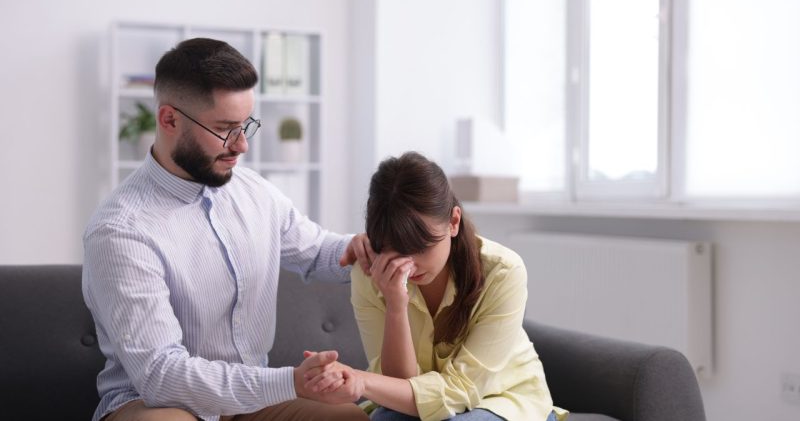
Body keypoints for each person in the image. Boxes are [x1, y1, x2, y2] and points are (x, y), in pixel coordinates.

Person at [82, 37, 373, 421]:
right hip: (157, 404)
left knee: (349, 418)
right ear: (169, 120)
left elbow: (319, 251)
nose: (241, 146)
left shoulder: (254, 192)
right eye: (225, 129)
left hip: (249, 399)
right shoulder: (121, 230)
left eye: (246, 125)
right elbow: (161, 375)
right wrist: (291, 382)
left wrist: (372, 249)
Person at [303, 152, 569, 421]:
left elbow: (461, 390)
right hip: (417, 408)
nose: (410, 265)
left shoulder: (503, 272)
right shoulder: (371, 274)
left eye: (421, 248)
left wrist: (363, 381)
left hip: (502, 400)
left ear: (453, 222)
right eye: (396, 250)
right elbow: (398, 392)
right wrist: (396, 306)